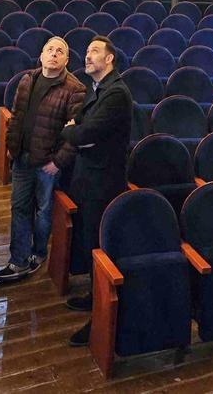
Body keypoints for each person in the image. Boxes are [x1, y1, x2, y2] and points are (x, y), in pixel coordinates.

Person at [0, 36, 85, 283]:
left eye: (60, 51)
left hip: (48, 164)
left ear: (67, 60)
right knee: (19, 208)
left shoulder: (75, 89)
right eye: (49, 49)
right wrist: (12, 147)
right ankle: (18, 260)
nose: (54, 54)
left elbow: (76, 133)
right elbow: (16, 117)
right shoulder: (27, 80)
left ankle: (39, 252)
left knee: (44, 212)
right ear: (41, 56)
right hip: (22, 158)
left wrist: (58, 162)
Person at [61, 36, 132, 348]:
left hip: (102, 182)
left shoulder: (116, 93)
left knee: (100, 246)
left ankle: (100, 318)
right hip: (89, 176)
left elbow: (85, 132)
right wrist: (77, 131)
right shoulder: (98, 88)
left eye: (94, 52)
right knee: (90, 241)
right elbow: (83, 128)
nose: (87, 56)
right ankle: (93, 297)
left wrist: (71, 131)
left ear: (110, 59)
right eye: (87, 51)